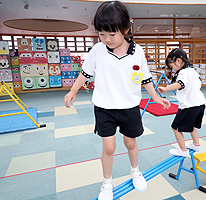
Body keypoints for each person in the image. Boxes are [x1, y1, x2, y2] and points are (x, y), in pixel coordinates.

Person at [64, 1, 170, 200]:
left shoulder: (137, 51)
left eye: (112, 34)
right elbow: (85, 73)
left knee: (131, 143)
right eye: (101, 34)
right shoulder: (97, 50)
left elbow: (146, 78)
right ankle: (107, 183)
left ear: (126, 29)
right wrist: (73, 91)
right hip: (104, 108)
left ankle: (135, 171)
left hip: (129, 107)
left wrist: (156, 97)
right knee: (109, 147)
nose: (106, 39)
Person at [157, 48, 206, 157]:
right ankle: (196, 144)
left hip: (189, 106)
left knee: (176, 128)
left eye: (172, 66)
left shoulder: (183, 72)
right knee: (192, 125)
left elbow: (180, 84)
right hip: (200, 104)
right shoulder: (192, 70)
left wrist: (166, 89)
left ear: (178, 61)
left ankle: (183, 150)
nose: (173, 69)